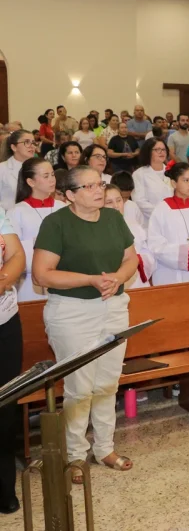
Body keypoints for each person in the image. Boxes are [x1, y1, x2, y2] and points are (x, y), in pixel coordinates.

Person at [32, 166, 138, 481]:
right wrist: (90, 280)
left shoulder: (113, 218)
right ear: (69, 195)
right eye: (89, 186)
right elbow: (42, 274)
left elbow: (130, 258)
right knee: (79, 388)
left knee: (108, 382)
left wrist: (118, 277)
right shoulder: (56, 224)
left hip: (114, 306)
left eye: (99, 184)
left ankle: (104, 446)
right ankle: (75, 454)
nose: (98, 190)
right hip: (72, 312)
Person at [10, 158, 65, 302]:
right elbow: (14, 252)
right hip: (29, 283)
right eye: (46, 176)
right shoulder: (17, 211)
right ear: (31, 182)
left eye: (52, 174)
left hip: (63, 278)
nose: (52, 179)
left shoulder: (63, 207)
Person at [0, 206, 25, 514]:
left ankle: (4, 485)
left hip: (4, 320)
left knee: (5, 403)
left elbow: (17, 254)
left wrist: (2, 280)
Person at [103, 184, 155, 289]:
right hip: (111, 286)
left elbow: (149, 254)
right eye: (109, 202)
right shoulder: (97, 232)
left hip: (139, 283)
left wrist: (135, 260)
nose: (116, 206)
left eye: (119, 200)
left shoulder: (135, 227)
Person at [132, 139, 172, 227]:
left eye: (164, 149)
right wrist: (161, 214)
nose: (161, 152)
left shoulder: (172, 172)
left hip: (173, 219)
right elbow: (139, 201)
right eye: (157, 149)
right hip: (150, 221)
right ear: (148, 152)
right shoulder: (139, 174)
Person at [0, 130, 35, 211]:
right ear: (14, 147)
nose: (32, 146)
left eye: (33, 143)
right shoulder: (2, 169)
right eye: (27, 142)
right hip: (6, 218)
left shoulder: (38, 168)